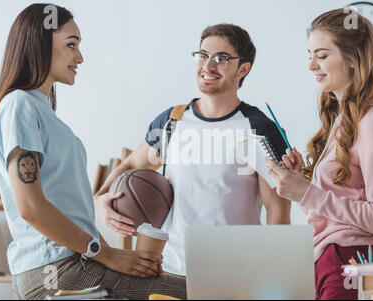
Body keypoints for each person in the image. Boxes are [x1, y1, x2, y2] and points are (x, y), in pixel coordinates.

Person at [0, 3, 186, 300]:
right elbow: (30, 208)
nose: (79, 57)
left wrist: (110, 254)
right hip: (53, 271)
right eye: (71, 45)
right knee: (200, 292)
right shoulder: (20, 105)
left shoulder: (44, 115)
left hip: (66, 265)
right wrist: (104, 253)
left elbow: (67, 209)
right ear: (41, 45)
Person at [95, 24, 291, 276]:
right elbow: (132, 166)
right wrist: (100, 200)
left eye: (221, 59)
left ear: (243, 68)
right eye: (203, 55)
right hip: (169, 273)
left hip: (234, 276)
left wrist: (277, 281)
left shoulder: (259, 129)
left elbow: (278, 213)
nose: (208, 66)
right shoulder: (172, 122)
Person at [266, 9, 373, 300]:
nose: (311, 66)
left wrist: (308, 194)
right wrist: (302, 183)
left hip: (351, 262)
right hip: (331, 261)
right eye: (310, 55)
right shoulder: (343, 120)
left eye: (321, 55)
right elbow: (337, 211)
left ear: (352, 59)